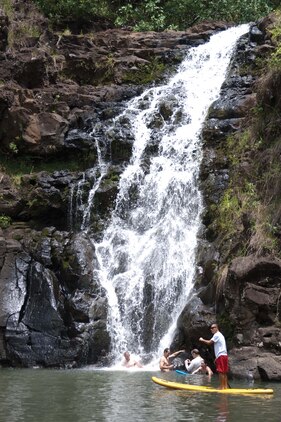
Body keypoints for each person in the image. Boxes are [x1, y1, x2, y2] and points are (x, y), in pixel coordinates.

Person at [199, 323, 229, 389]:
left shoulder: (217, 334)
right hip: (223, 355)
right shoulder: (220, 335)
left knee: (221, 372)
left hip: (221, 356)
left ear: (217, 328)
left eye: (213, 328)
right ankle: (225, 387)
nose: (211, 329)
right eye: (211, 328)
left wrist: (202, 340)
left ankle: (222, 387)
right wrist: (217, 357)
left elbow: (209, 342)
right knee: (224, 372)